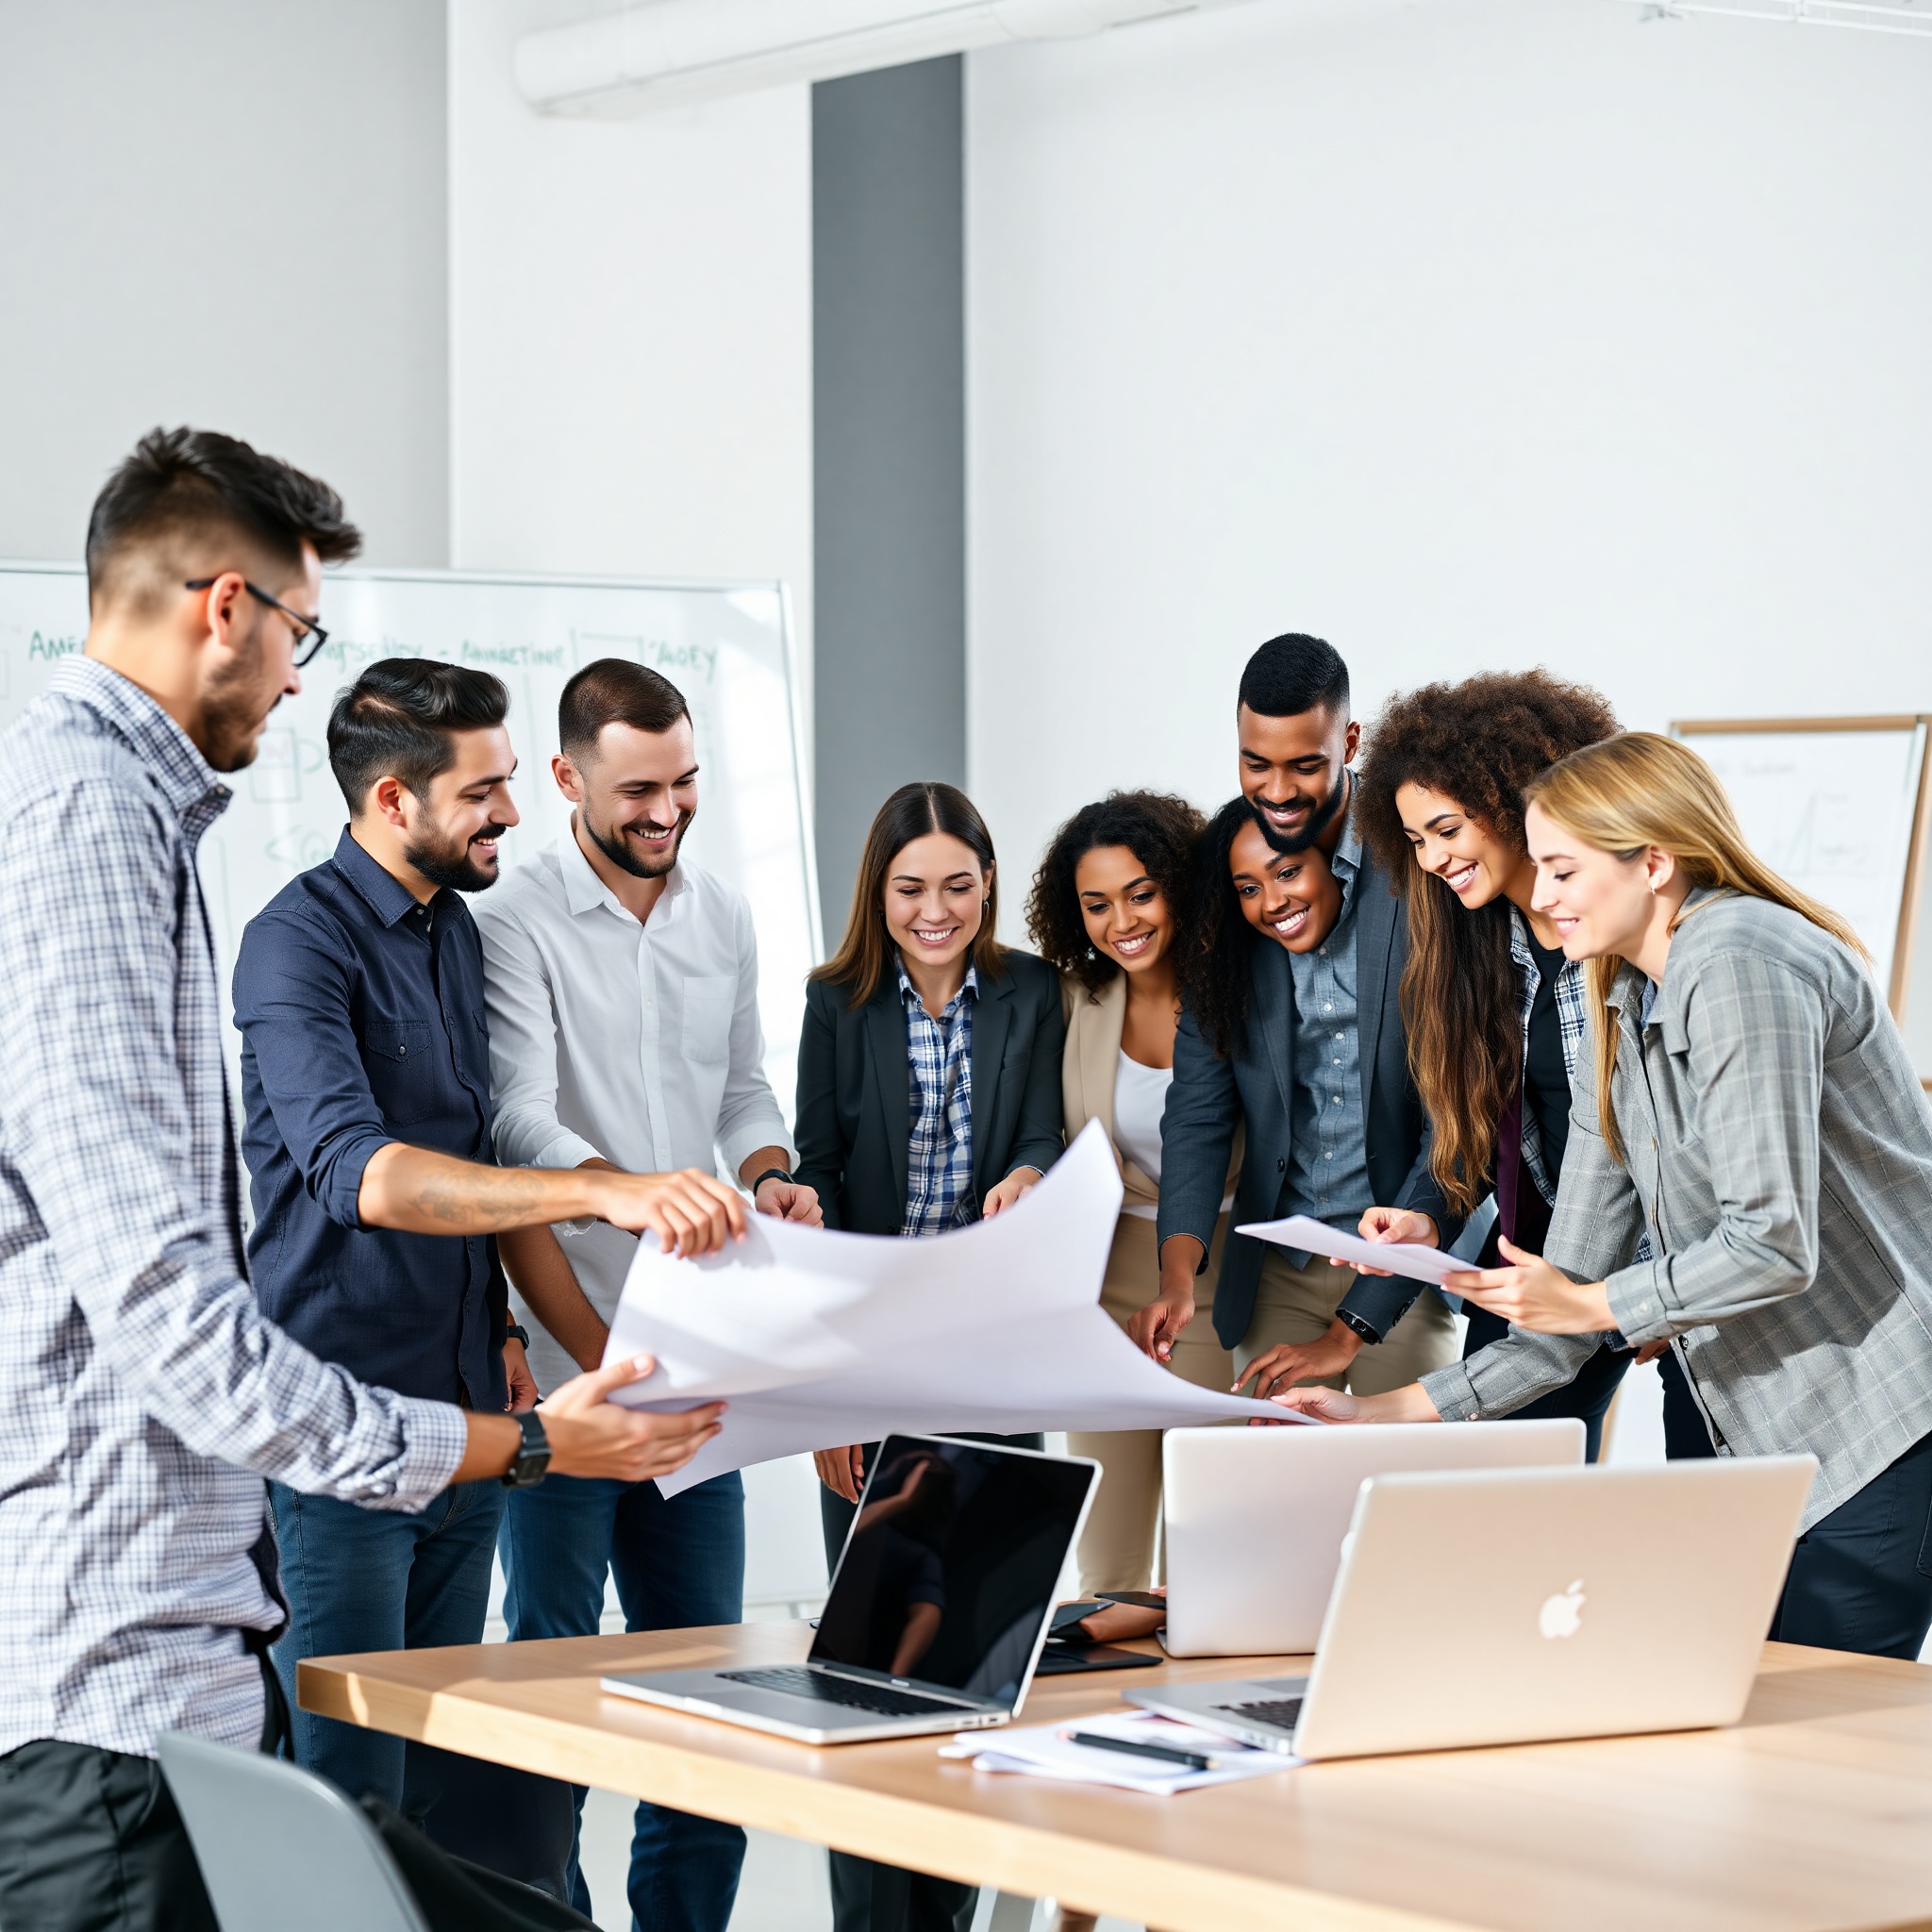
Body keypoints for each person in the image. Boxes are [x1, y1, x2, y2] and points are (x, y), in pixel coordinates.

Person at [0, 427, 729, 1932]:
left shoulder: (415, 918)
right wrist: (527, 1438)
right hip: (129, 1672)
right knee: (357, 1828)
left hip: (231, 1608)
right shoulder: (103, 827)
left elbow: (480, 1153)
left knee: (453, 1834)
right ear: (228, 606)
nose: (294, 679)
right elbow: (197, 1288)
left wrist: (543, 1375)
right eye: (300, 631)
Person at [1278, 733, 1932, 1662]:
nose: (1541, 897)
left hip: (1880, 1420)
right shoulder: (1612, 998)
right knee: (1728, 1711)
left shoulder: (1740, 957)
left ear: (1652, 863)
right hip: (1753, 1432)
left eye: (1561, 870)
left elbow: (1770, 1243)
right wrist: (1373, 1414)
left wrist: (1587, 1304)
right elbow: (1568, 1300)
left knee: (1829, 1725)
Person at [475, 657, 821, 1932]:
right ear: (566, 780)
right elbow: (515, 1122)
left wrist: (769, 1171)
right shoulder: (511, 919)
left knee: (707, 1703)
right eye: (637, 790)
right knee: (556, 1696)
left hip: (697, 1372)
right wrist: (628, 1196)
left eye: (684, 782)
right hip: (571, 1368)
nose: (667, 811)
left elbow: (742, 1088)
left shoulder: (721, 912)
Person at [794, 780, 1064, 1932]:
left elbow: (1044, 1122)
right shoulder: (835, 1000)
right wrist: (829, 1395)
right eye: (910, 888)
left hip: (989, 1353)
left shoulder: (1031, 991)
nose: (935, 909)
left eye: (958, 884)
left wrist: (1031, 1170)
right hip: (871, 1352)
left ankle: (944, 1918)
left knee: (969, 1669)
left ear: (987, 883)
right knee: (865, 1674)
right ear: (879, 891)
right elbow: (815, 1165)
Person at [1267, 671, 1637, 1459]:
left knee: (1720, 1487)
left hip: (1661, 1263)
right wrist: (1426, 1220)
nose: (1432, 859)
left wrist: (1651, 1295)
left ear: (1517, 802)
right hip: (1540, 1253)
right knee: (1493, 1482)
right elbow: (1468, 1123)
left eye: (1446, 830)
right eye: (1414, 841)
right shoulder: (1481, 945)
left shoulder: (1624, 944)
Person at [1138, 635, 1460, 1398]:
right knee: (1271, 1468)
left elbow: (1459, 1111)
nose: (1278, 790)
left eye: (1304, 765)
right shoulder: (1231, 874)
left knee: (1410, 1474)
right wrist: (1178, 1278)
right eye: (1256, 763)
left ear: (1350, 743)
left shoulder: (1424, 862)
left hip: (1404, 1263)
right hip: (1277, 1267)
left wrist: (1357, 1324)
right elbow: (1199, 1108)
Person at [1024, 791, 1235, 1596]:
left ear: (1179, 885)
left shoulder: (1239, 993)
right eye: (1097, 904)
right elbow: (1038, 1132)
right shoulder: (1074, 1002)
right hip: (1102, 1280)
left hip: (1217, 1278)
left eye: (1140, 893)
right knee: (1105, 1567)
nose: (1122, 922)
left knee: (1205, 1558)